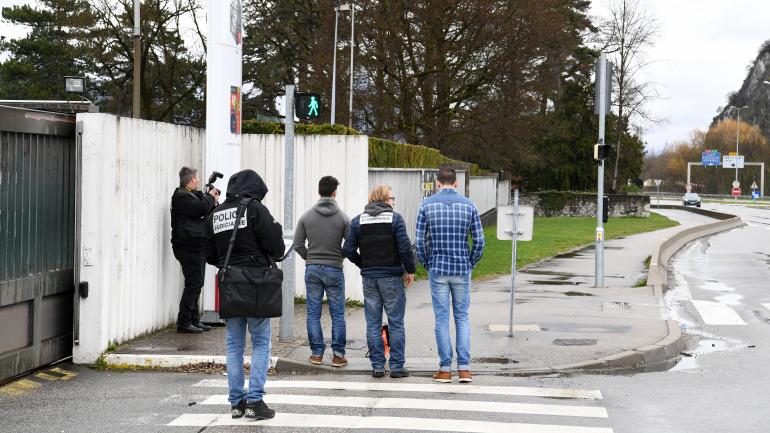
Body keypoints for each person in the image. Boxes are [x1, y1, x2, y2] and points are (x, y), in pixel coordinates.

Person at [204, 169, 284, 421]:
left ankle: (236, 403)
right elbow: (276, 247)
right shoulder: (255, 208)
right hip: (256, 282)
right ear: (255, 188)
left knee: (234, 345)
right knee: (261, 342)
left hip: (230, 283)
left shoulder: (216, 213)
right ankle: (255, 401)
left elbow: (208, 253)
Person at [415, 164, 485, 383]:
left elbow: (419, 241)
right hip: (461, 268)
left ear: (437, 183)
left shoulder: (426, 205)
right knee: (462, 317)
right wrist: (470, 262)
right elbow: (480, 240)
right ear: (456, 183)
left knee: (442, 319)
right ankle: (464, 368)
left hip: (438, 268)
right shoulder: (469, 205)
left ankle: (445, 369)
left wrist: (428, 263)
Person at [343, 185, 415, 378]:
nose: (393, 201)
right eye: (391, 197)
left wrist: (363, 264)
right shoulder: (395, 219)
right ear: (384, 199)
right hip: (392, 277)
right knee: (396, 322)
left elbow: (348, 250)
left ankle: (377, 366)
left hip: (369, 279)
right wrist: (410, 270)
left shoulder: (358, 221)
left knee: (373, 323)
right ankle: (397, 367)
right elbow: (405, 248)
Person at [292, 176, 351, 367]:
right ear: (335, 192)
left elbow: (297, 244)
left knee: (313, 313)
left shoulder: (306, 217)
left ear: (319, 192)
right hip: (334, 269)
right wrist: (339, 256)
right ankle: (338, 355)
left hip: (313, 270)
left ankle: (317, 354)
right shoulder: (343, 217)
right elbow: (350, 245)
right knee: (338, 314)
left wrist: (309, 257)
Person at [170, 166, 219, 334]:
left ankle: (193, 320)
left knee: (196, 283)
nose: (198, 180)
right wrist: (209, 197)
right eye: (196, 178)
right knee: (194, 283)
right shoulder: (181, 197)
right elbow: (200, 208)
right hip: (187, 246)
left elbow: (205, 206)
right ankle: (184, 322)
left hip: (195, 245)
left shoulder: (190, 194)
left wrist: (210, 197)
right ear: (191, 180)